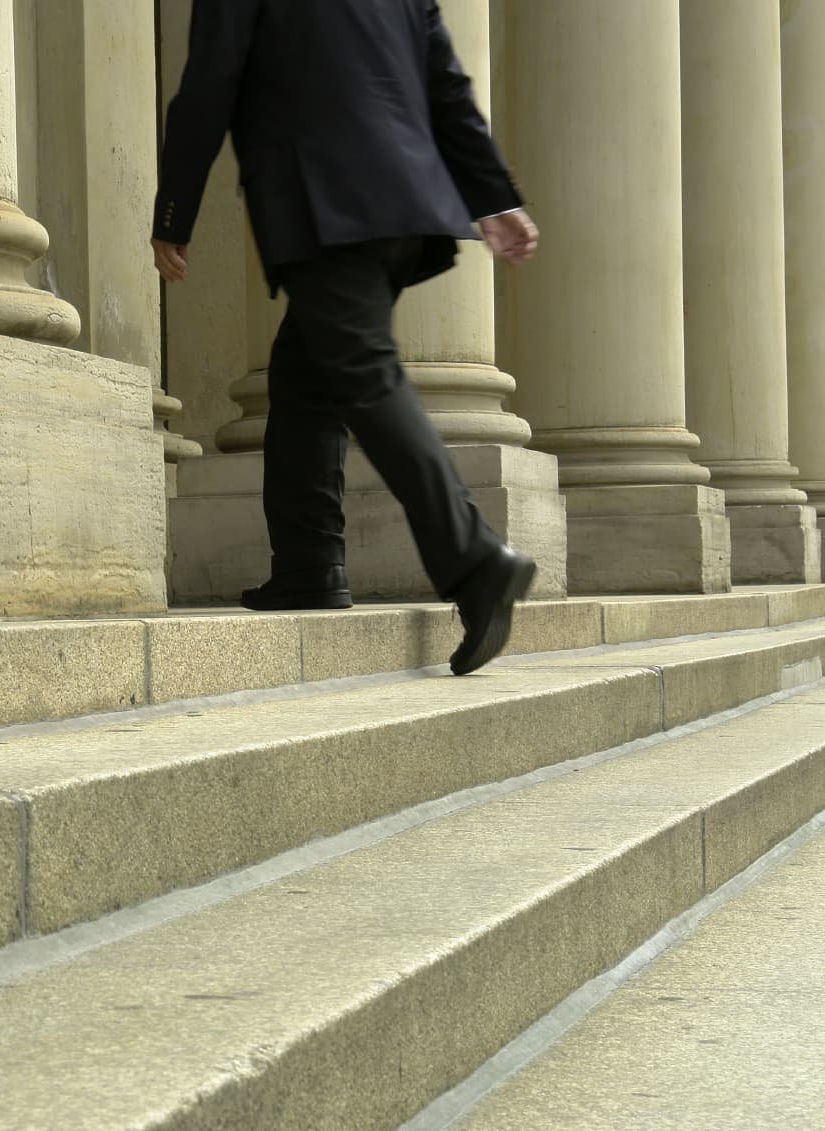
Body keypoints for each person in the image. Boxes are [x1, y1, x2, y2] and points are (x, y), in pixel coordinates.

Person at [154, 0, 539, 676]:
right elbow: (445, 84)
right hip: (401, 203)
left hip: (326, 199)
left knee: (362, 369)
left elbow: (210, 79)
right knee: (306, 372)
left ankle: (476, 561)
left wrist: (174, 210)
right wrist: (493, 197)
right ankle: (308, 566)